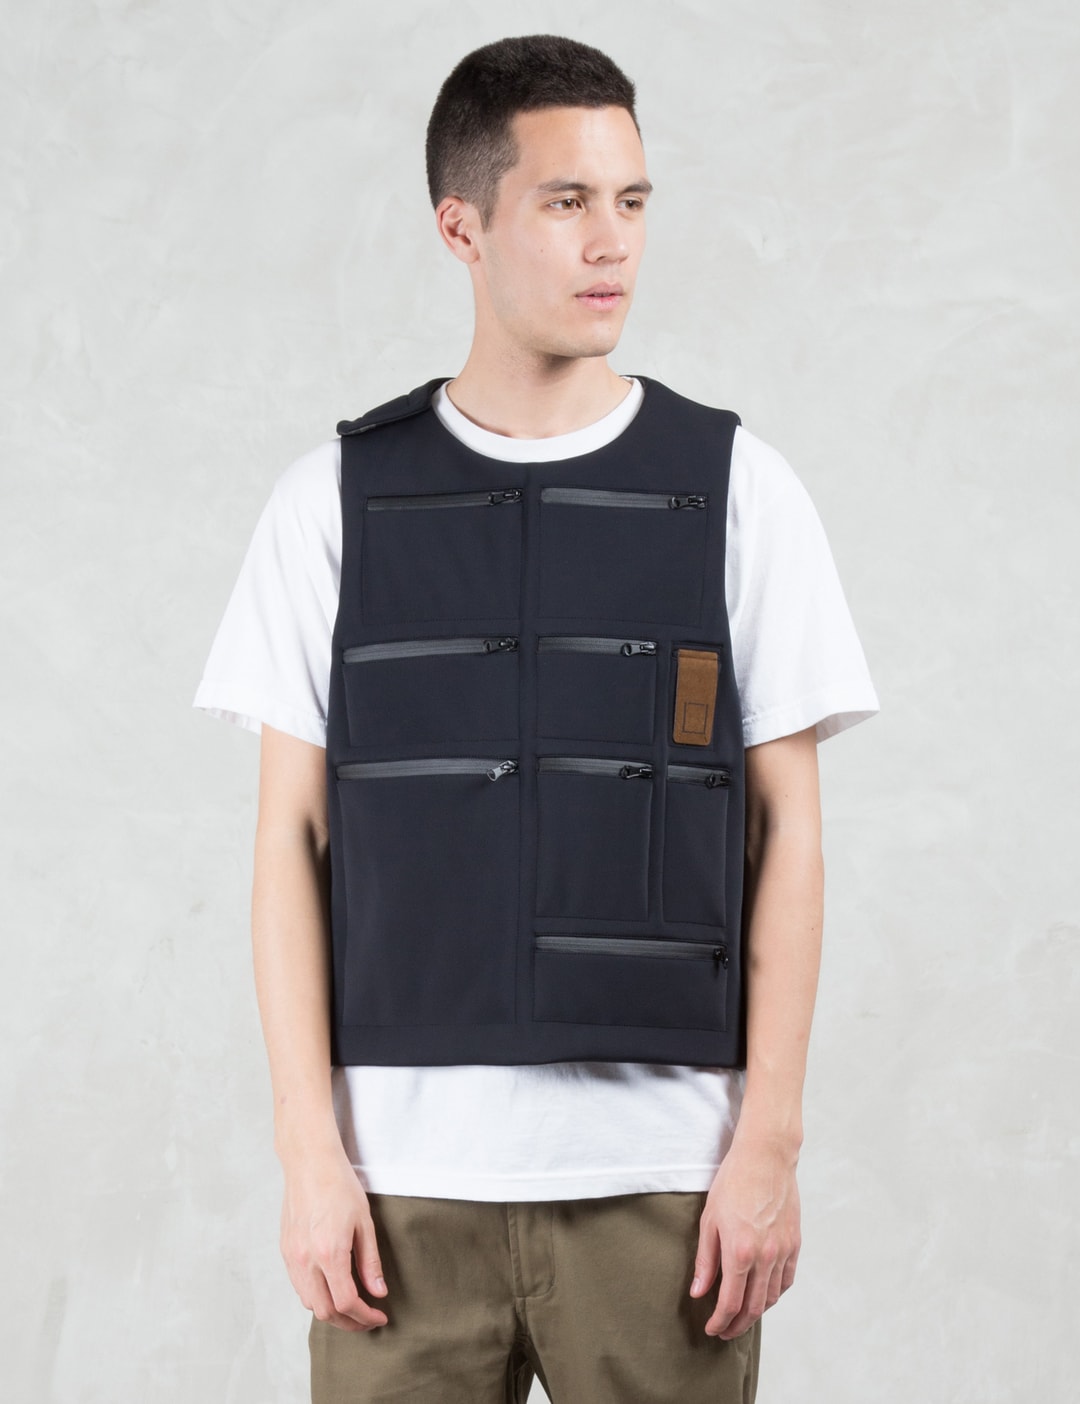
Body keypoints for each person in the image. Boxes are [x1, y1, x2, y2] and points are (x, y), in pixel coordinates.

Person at [195, 32, 879, 1404]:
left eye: (631, 200)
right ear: (463, 226)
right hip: (396, 1200)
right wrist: (309, 1156)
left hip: (664, 1191)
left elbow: (790, 835)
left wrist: (770, 1146)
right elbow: (287, 847)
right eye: (566, 202)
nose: (610, 241)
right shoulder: (329, 503)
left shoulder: (740, 490)